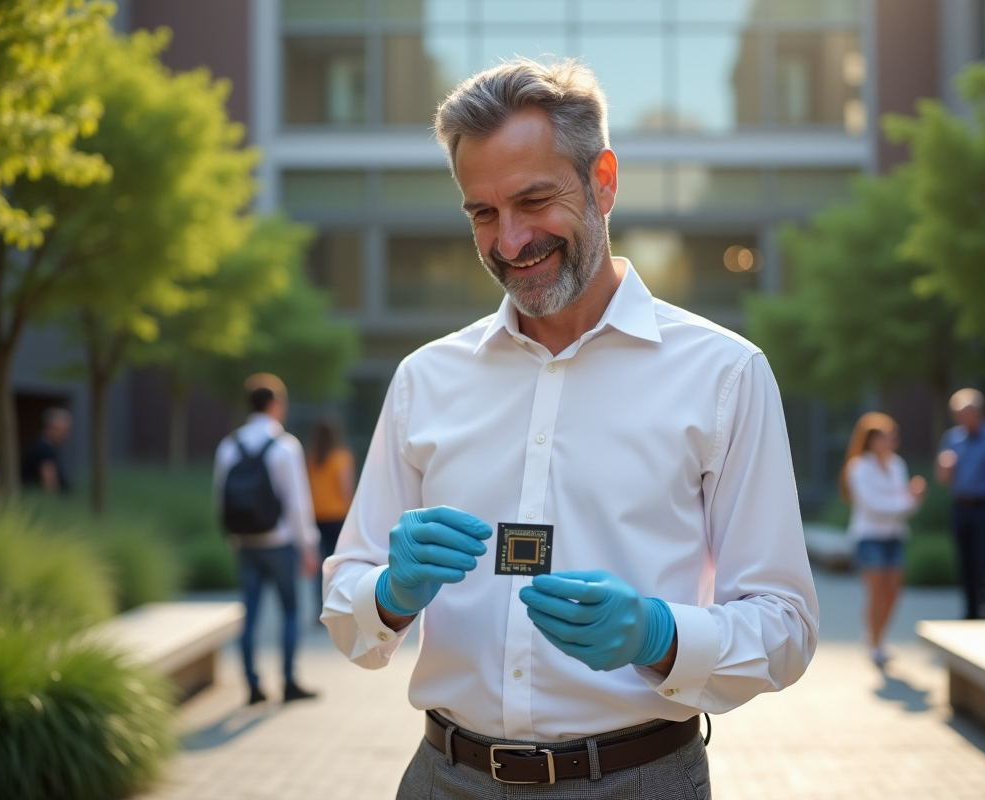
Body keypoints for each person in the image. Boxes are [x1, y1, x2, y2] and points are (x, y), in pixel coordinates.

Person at [322, 59, 818, 799]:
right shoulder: (425, 379)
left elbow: (786, 627)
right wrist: (390, 593)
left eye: (534, 200)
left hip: (639, 781)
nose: (510, 241)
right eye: (482, 213)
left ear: (605, 181)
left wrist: (660, 634)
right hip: (444, 778)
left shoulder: (726, 376)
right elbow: (344, 612)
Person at [214, 373, 320, 705]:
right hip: (279, 542)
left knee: (252, 613)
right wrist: (308, 545)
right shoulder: (285, 445)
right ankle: (288, 682)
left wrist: (232, 535)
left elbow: (220, 494)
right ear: (275, 404)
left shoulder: (230, 444)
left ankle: (252, 686)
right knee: (290, 611)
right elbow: (298, 502)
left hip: (245, 541)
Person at [842, 412, 925, 668]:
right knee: (877, 593)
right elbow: (873, 506)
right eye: (882, 438)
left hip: (895, 536)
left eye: (891, 437)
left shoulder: (897, 464)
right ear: (869, 440)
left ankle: (877, 636)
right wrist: (906, 499)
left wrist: (914, 497)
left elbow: (907, 506)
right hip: (870, 538)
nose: (888, 442)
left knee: (893, 593)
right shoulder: (858, 467)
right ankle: (875, 643)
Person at [935, 388, 985, 620]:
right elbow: (942, 479)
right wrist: (944, 467)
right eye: (955, 414)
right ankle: (970, 612)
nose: (958, 419)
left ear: (977, 412)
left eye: (962, 413)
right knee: (965, 561)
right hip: (961, 506)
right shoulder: (952, 438)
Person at [307, 417, 355, 619]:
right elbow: (345, 489)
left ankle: (320, 606)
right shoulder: (342, 457)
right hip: (337, 517)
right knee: (339, 563)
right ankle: (339, 606)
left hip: (317, 516)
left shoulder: (311, 459)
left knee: (320, 564)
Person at [21, 408, 72, 494]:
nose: (67, 434)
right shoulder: (44, 449)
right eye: (64, 430)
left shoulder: (46, 446)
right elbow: (49, 482)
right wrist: (53, 503)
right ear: (52, 428)